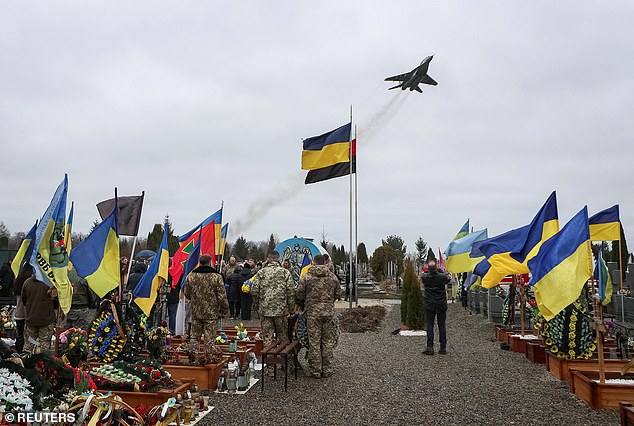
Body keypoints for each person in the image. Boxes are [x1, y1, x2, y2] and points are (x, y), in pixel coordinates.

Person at [296, 254, 341, 378]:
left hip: (313, 314)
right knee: (327, 341)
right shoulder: (333, 277)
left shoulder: (307, 277)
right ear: (325, 263)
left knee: (314, 342)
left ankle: (315, 370)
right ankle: (327, 369)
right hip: (328, 313)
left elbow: (299, 294)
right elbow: (338, 294)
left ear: (314, 263)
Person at [183, 254, 228, 358]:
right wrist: (224, 310)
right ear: (210, 262)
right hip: (211, 312)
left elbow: (187, 293)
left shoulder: (192, 276)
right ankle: (208, 360)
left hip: (196, 311)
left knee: (194, 337)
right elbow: (222, 296)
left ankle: (193, 359)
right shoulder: (216, 277)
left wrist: (196, 300)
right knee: (209, 338)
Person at [251, 251, 295, 346]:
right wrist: (291, 310)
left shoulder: (261, 272)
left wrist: (258, 304)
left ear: (268, 259)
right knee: (283, 336)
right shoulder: (285, 272)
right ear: (278, 259)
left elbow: (254, 290)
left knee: (267, 337)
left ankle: (268, 358)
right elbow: (291, 292)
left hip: (265, 310)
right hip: (281, 310)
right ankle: (283, 359)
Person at [21, 273, 58, 354]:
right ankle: (42, 365)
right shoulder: (50, 283)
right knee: (44, 347)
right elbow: (56, 302)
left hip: (31, 319)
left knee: (28, 346)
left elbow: (23, 300)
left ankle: (26, 364)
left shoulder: (27, 282)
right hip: (46, 320)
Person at [421, 259, 451, 355]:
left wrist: (430, 270)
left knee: (430, 325)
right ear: (436, 268)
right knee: (441, 325)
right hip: (441, 303)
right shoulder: (442, 277)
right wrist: (440, 270)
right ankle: (443, 347)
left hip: (430, 303)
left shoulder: (425, 277)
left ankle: (430, 347)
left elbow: (424, 275)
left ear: (428, 269)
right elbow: (448, 278)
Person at [13, 265, 33, 353]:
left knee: (20, 336)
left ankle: (18, 353)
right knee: (29, 338)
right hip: (28, 313)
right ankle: (27, 355)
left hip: (19, 313)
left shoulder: (18, 279)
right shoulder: (30, 281)